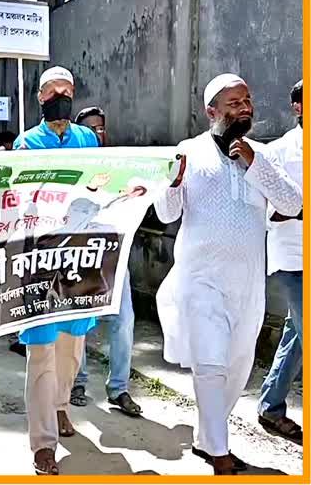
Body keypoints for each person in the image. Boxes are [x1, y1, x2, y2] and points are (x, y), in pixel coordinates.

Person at [154, 73, 302, 475]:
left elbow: (292, 201)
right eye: (234, 103)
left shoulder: (262, 154)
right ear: (211, 112)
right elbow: (166, 213)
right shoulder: (188, 151)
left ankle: (207, 436)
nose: (244, 108)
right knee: (211, 364)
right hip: (201, 279)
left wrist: (254, 164)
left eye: (247, 100)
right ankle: (219, 452)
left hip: (247, 285)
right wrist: (172, 184)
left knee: (237, 368)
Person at [13, 66, 99, 475]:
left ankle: (61, 404)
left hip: (79, 258)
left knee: (72, 348)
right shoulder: (25, 143)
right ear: (39, 98)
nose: (61, 96)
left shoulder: (87, 140)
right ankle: (42, 442)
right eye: (52, 91)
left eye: (67, 90)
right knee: (41, 351)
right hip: (39, 259)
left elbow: (104, 185)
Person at [70, 104, 141, 418]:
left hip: (115, 255)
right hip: (81, 257)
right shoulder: (72, 171)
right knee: (80, 324)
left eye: (100, 128)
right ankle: (77, 382)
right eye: (90, 129)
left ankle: (119, 388)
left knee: (123, 321)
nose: (97, 133)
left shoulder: (121, 166)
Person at [257, 79, 303, 445]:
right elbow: (272, 213)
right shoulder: (279, 152)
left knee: (296, 335)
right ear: (297, 108)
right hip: (293, 258)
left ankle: (271, 407)